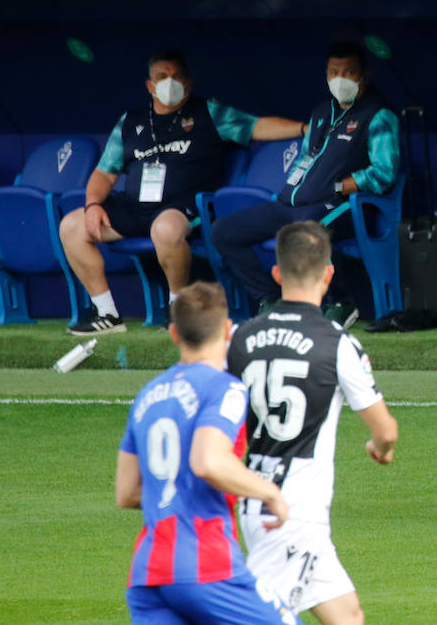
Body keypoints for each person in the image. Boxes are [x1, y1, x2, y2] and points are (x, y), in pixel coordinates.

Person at [62, 49, 304, 336]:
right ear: (149, 86)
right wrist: (93, 205)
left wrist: (304, 128)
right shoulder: (131, 120)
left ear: (188, 82)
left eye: (176, 76)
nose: (170, 82)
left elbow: (257, 126)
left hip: (184, 205)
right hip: (135, 206)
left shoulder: (209, 113)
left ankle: (177, 309)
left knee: (164, 229)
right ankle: (107, 314)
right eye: (162, 77)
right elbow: (105, 172)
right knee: (72, 226)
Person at [227, 221, 398, 625]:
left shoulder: (239, 337)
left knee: (347, 615)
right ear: (328, 274)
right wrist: (380, 449)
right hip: (291, 507)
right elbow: (386, 431)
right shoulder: (337, 342)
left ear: (276, 274)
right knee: (263, 617)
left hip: (255, 493)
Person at [116, 281, 300, 625]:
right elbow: (208, 461)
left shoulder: (147, 395)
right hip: (205, 564)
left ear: (174, 333)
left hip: (147, 574)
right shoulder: (224, 388)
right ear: (228, 331)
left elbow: (126, 493)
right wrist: (268, 492)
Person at [211, 42, 400, 322]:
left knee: (306, 229)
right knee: (223, 231)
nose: (340, 79)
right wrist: (291, 192)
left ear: (364, 76)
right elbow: (305, 159)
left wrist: (340, 186)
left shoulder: (378, 115)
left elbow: (385, 172)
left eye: (349, 72)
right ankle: (270, 299)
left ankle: (342, 302)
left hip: (343, 205)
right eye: (334, 72)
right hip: (294, 203)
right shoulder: (321, 112)